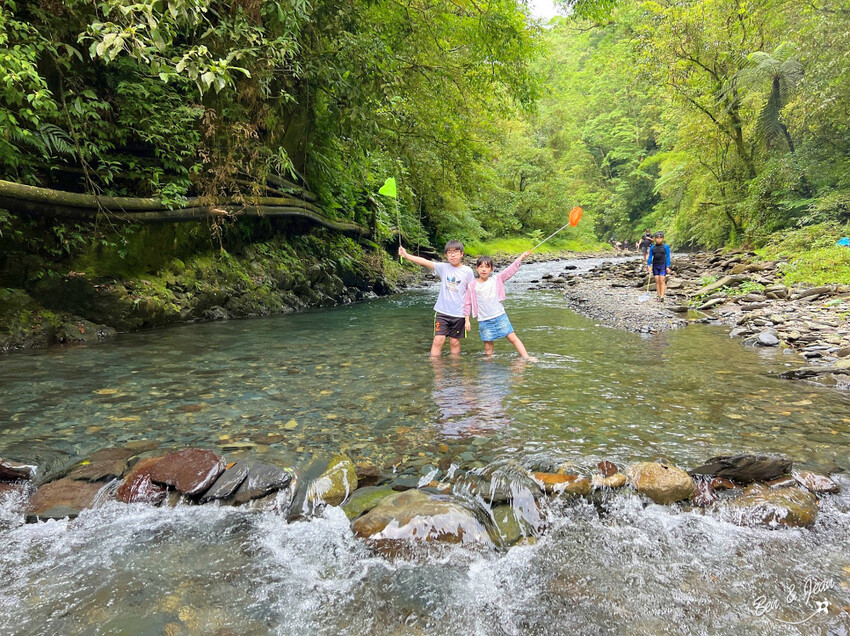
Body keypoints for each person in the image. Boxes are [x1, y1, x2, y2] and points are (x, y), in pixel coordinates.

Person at [399, 241, 474, 356]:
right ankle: (436, 369)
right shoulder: (443, 268)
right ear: (446, 255)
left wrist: (469, 316)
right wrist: (407, 255)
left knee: (454, 342)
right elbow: (425, 262)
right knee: (438, 340)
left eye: (455, 252)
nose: (452, 255)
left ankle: (455, 369)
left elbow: (472, 292)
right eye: (449, 252)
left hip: (459, 313)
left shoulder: (467, 271)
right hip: (442, 312)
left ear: (462, 254)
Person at [463, 251, 533, 358]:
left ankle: (526, 357)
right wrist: (467, 320)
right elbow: (467, 303)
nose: (483, 269)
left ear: (491, 269)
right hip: (484, 320)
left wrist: (521, 257)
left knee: (512, 338)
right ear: (476, 269)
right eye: (481, 267)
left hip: (499, 316)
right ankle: (489, 366)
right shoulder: (472, 286)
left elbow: (509, 271)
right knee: (488, 346)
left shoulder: (496, 279)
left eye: (487, 267)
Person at [646, 231, 672, 302]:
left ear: (663, 239)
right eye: (657, 238)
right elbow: (650, 257)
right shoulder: (652, 247)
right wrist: (648, 265)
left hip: (663, 265)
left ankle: (662, 296)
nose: (658, 240)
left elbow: (668, 257)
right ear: (655, 239)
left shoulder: (665, 247)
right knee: (657, 281)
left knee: (662, 280)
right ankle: (658, 295)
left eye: (660, 238)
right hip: (655, 265)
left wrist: (668, 266)